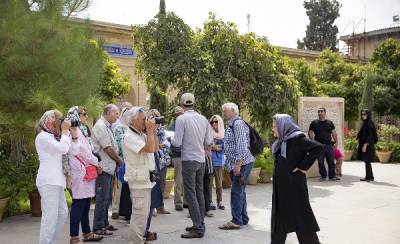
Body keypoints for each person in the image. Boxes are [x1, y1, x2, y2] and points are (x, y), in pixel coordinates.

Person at [270, 114, 323, 244]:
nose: (273, 129)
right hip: (281, 190)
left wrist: (302, 166)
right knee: (279, 222)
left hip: (295, 189)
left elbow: (317, 147)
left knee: (302, 220)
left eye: (274, 126)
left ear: (283, 126)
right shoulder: (281, 142)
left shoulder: (297, 139)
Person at [172, 93, 213, 239]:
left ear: (182, 104)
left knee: (190, 193)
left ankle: (198, 227)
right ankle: (200, 223)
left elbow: (177, 142)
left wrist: (169, 138)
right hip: (201, 160)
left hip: (189, 159)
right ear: (193, 103)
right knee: (199, 192)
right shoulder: (203, 119)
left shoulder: (181, 119)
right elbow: (209, 141)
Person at [66, 106, 103, 244]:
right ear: (76, 115)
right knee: (79, 204)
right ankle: (74, 236)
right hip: (79, 172)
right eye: (84, 114)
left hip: (84, 170)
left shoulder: (79, 130)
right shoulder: (72, 131)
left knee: (86, 203)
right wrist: (96, 162)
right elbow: (83, 152)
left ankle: (87, 232)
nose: (86, 116)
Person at [122, 106, 158, 244]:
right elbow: (149, 148)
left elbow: (154, 148)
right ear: (133, 120)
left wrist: (152, 131)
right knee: (138, 217)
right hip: (138, 182)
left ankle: (139, 240)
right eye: (143, 119)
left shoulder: (139, 134)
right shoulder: (129, 136)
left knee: (143, 216)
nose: (146, 121)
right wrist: (149, 130)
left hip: (145, 181)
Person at [35, 110, 71, 244]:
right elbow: (63, 149)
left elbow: (66, 151)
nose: (57, 123)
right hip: (48, 181)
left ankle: (51, 242)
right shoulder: (42, 137)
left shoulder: (53, 137)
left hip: (57, 181)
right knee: (50, 218)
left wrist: (68, 133)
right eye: (56, 120)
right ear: (47, 122)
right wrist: (66, 132)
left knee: (62, 214)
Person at [219, 103, 254, 230]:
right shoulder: (232, 124)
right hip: (238, 163)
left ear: (233, 111)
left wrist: (238, 164)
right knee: (240, 192)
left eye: (225, 110)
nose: (223, 113)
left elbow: (241, 145)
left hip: (241, 163)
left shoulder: (237, 124)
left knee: (236, 192)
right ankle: (243, 218)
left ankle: (236, 221)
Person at [92, 104, 123, 235]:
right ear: (109, 113)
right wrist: (119, 161)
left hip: (108, 168)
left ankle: (104, 223)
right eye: (116, 113)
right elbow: (108, 148)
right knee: (102, 198)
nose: (118, 116)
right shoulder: (100, 126)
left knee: (107, 198)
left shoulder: (106, 126)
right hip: (103, 169)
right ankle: (98, 227)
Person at [112, 102, 133, 220]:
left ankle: (125, 210)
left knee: (127, 188)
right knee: (118, 186)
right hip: (121, 161)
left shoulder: (130, 129)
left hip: (130, 162)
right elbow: (119, 145)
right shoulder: (119, 128)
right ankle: (115, 209)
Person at [148, 109, 171, 215]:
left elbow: (167, 143)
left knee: (161, 183)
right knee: (152, 183)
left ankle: (160, 207)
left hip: (163, 160)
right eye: (152, 116)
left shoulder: (163, 129)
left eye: (156, 116)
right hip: (152, 159)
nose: (155, 119)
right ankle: (152, 207)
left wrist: (160, 146)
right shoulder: (147, 128)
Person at [308, 107, 340, 181]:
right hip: (318, 146)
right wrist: (312, 141)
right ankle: (323, 176)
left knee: (331, 161)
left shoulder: (329, 123)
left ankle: (332, 176)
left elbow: (334, 133)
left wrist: (336, 143)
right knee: (320, 162)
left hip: (329, 145)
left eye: (321, 111)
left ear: (325, 113)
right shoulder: (314, 123)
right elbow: (310, 132)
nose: (320, 113)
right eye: (318, 111)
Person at [169, 106, 186, 211]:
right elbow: (172, 144)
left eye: (181, 114)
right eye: (178, 114)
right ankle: (178, 203)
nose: (179, 116)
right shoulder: (171, 128)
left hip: (187, 156)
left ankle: (186, 202)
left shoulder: (187, 126)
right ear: (175, 116)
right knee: (178, 180)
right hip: (177, 156)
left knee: (187, 181)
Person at [357, 109, 378, 182]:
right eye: (362, 114)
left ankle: (367, 177)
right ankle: (371, 177)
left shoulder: (369, 123)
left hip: (368, 145)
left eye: (365, 114)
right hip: (366, 144)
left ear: (368, 115)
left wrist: (365, 145)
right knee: (367, 161)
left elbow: (370, 136)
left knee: (367, 161)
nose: (363, 116)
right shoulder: (366, 122)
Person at [209, 115, 225, 210]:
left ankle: (220, 202)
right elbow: (205, 145)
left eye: (216, 121)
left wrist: (216, 148)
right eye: (212, 122)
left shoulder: (224, 133)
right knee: (209, 183)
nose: (214, 123)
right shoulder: (208, 133)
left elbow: (225, 147)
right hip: (210, 161)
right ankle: (210, 202)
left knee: (219, 184)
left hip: (219, 162)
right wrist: (213, 147)